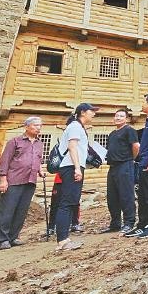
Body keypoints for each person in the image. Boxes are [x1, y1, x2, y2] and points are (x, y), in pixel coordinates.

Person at [0, 117, 45, 250]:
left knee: (21, 211)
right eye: (35, 125)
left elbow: (37, 159)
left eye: (40, 125)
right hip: (13, 180)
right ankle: (1, 240)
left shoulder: (40, 144)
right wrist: (3, 180)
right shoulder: (14, 142)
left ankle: (13, 237)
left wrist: (40, 170)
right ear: (26, 127)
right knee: (7, 211)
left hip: (30, 181)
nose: (38, 128)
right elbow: (5, 160)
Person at [55, 103, 98, 251]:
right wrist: (77, 168)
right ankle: (62, 240)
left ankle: (64, 238)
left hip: (72, 167)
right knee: (67, 203)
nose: (94, 114)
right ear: (83, 112)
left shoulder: (78, 127)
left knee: (71, 202)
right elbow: (72, 147)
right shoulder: (74, 126)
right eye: (92, 111)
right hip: (71, 167)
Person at [125, 94, 148, 239]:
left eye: (143, 101)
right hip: (143, 161)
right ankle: (142, 225)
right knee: (142, 195)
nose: (141, 104)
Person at [101, 109, 139, 233]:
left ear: (126, 119)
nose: (118, 118)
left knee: (126, 195)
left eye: (121, 116)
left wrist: (131, 159)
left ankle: (129, 223)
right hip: (112, 167)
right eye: (116, 116)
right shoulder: (112, 134)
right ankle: (115, 224)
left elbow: (136, 146)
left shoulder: (129, 130)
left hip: (125, 165)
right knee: (112, 197)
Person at [45, 172, 82, 237]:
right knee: (55, 203)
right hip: (59, 180)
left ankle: (75, 224)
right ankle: (51, 227)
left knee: (74, 202)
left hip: (73, 179)